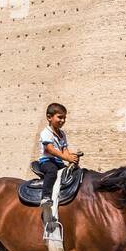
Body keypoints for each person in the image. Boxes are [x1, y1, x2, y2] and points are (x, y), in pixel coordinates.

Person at [31, 103, 80, 240]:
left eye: (64, 118)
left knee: (74, 173)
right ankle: (46, 197)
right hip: (47, 162)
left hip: (59, 162)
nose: (62, 120)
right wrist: (66, 157)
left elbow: (64, 150)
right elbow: (50, 150)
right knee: (52, 172)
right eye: (59, 117)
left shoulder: (62, 134)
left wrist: (71, 159)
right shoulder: (46, 132)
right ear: (49, 117)